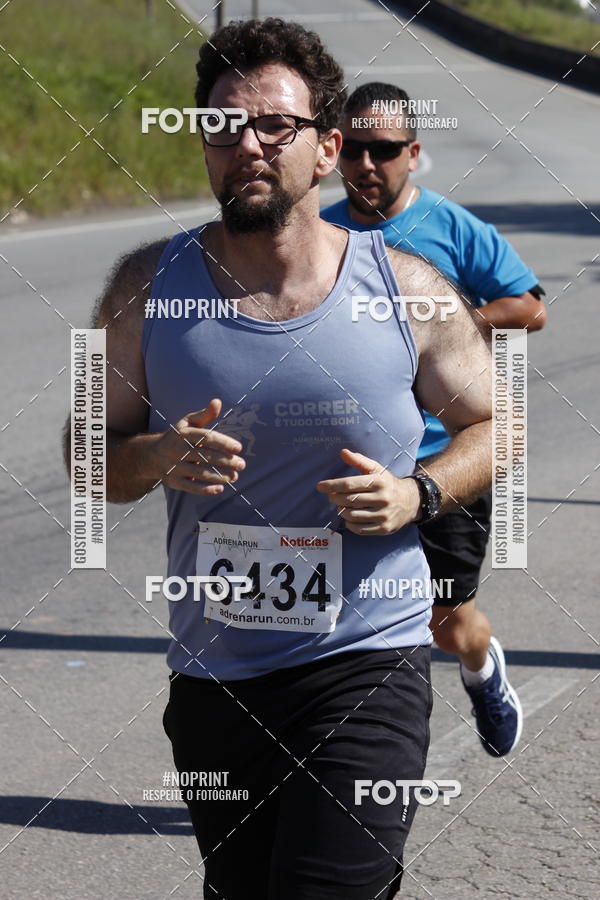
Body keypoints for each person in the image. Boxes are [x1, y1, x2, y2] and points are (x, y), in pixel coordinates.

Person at [65, 21, 492, 899]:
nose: (245, 145)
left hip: (368, 659)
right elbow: (83, 459)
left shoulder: (407, 290)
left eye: (274, 127)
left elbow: (499, 424)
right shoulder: (141, 289)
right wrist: (149, 453)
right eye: (222, 127)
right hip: (217, 674)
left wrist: (420, 492)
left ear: (329, 149)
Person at [323, 81, 547, 759]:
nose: (368, 164)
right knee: (347, 619)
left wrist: (450, 324)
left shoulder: (449, 227)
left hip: (446, 462)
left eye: (384, 150)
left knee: (444, 620)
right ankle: (357, 760)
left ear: (413, 153)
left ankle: (483, 670)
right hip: (355, 465)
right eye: (355, 149)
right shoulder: (321, 234)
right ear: (335, 152)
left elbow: (530, 306)